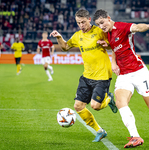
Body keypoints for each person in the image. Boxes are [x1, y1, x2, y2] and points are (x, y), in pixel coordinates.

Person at [93, 9, 149, 148]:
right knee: (120, 102)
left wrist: (148, 26)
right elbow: (115, 49)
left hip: (138, 72)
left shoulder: (122, 27)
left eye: (102, 22)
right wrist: (113, 63)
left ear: (108, 18)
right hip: (123, 75)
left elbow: (136, 27)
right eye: (99, 24)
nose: (101, 26)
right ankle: (135, 136)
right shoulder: (107, 34)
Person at [50, 9, 117, 142]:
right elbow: (65, 47)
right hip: (87, 76)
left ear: (89, 20)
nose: (81, 25)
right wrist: (59, 37)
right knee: (78, 106)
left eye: (83, 22)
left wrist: (107, 44)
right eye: (78, 23)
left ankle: (108, 98)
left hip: (102, 75)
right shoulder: (77, 36)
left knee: (95, 106)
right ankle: (100, 131)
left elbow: (114, 44)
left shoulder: (100, 31)